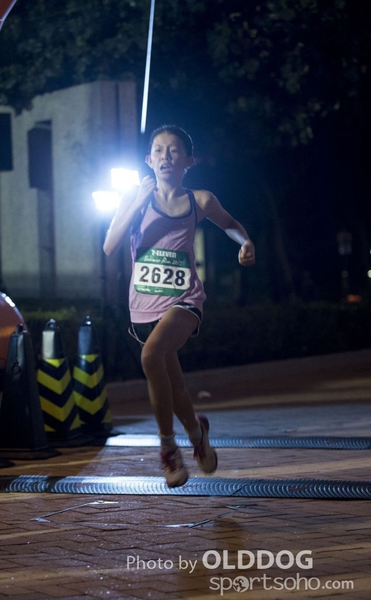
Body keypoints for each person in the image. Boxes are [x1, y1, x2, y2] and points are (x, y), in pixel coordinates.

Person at [104, 125, 255, 487]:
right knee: (176, 388)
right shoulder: (134, 198)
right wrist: (137, 203)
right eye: (158, 150)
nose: (165, 156)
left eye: (173, 151)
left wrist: (245, 242)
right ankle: (197, 434)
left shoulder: (199, 200)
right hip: (144, 306)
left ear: (188, 161)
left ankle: (168, 447)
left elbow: (230, 223)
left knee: (150, 356)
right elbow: (109, 246)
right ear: (148, 160)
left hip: (185, 300)